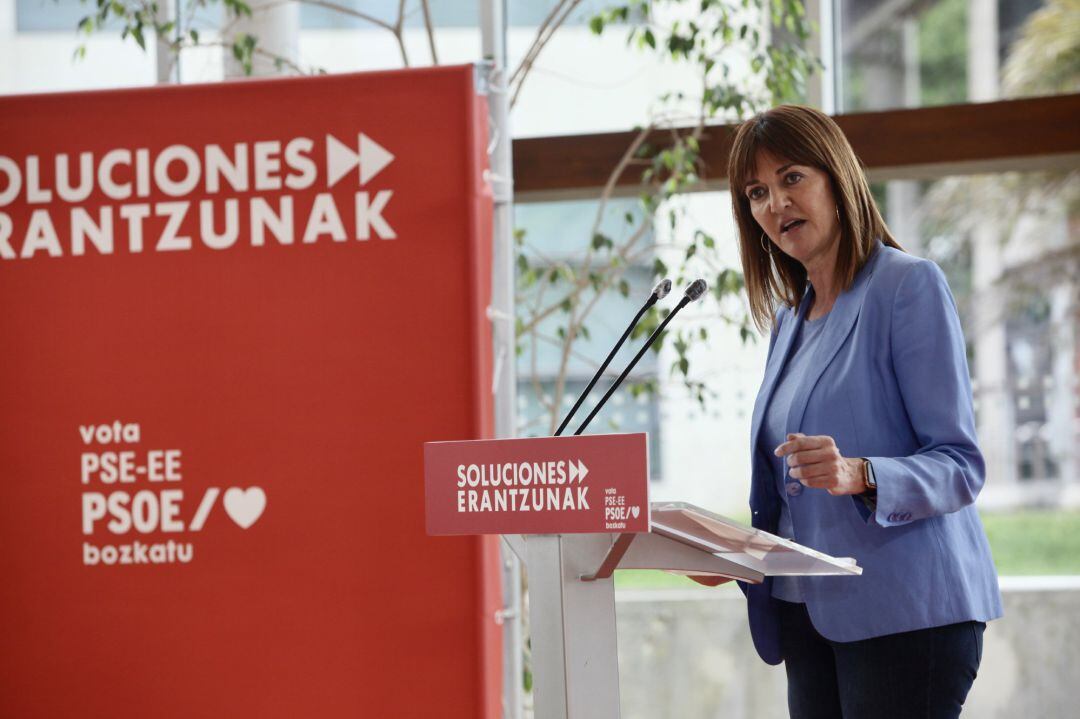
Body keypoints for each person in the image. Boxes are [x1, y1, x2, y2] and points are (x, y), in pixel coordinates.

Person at [724, 104, 1003, 718]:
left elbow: (960, 464)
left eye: (792, 178)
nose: (776, 204)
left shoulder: (907, 287)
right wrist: (730, 554)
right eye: (757, 192)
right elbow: (789, 491)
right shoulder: (787, 323)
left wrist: (863, 474)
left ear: (837, 177)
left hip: (908, 613)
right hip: (807, 615)